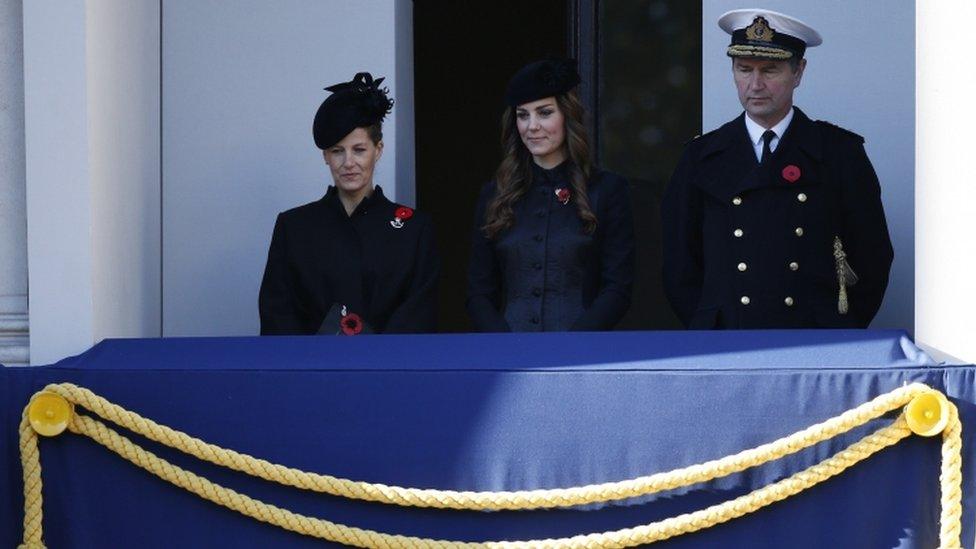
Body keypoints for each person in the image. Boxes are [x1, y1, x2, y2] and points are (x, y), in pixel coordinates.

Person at [662, 9, 893, 329]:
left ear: (798, 71)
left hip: (813, 339)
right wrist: (706, 326)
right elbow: (679, 263)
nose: (755, 85)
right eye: (744, 70)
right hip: (726, 339)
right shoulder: (701, 157)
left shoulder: (839, 154)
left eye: (770, 70)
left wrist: (840, 330)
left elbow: (872, 255)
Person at [259, 72, 439, 335]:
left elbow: (420, 313)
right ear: (326, 157)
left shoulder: (415, 230)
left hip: (389, 372)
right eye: (337, 151)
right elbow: (278, 314)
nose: (348, 163)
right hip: (311, 371)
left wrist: (375, 358)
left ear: (378, 150)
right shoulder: (294, 227)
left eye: (359, 150)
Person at [467, 58, 635, 332]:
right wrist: (504, 345)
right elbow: (478, 293)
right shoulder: (494, 195)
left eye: (544, 113)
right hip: (509, 357)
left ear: (567, 115)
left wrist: (573, 345)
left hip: (581, 357)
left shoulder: (607, 190)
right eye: (523, 115)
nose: (532, 126)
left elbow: (617, 288)